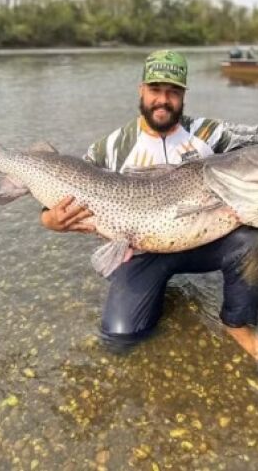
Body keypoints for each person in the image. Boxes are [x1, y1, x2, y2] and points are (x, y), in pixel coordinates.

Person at [41, 50, 258, 358]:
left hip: (205, 242)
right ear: (141, 89)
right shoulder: (110, 147)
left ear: (183, 95)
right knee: (120, 339)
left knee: (251, 239)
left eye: (173, 92)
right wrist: (50, 221)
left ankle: (238, 323)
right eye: (155, 90)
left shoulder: (211, 133)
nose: (163, 100)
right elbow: (59, 188)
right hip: (139, 252)